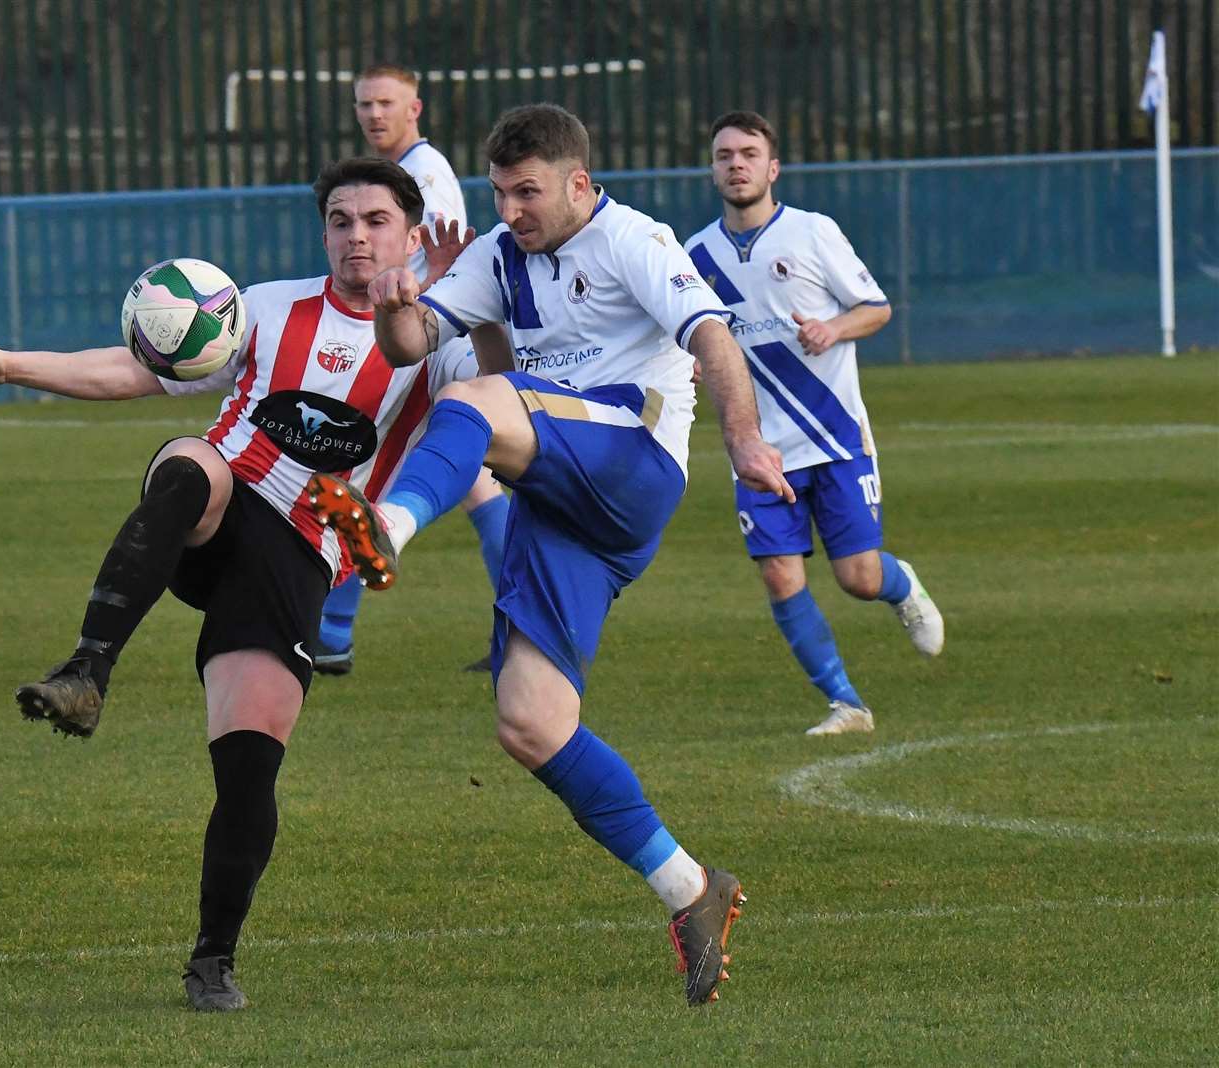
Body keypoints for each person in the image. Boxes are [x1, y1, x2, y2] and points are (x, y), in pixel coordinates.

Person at [0, 157, 484, 1012]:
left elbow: (496, 401)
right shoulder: (265, 307)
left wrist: (467, 303)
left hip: (300, 559)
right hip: (225, 502)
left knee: (248, 776)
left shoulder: (438, 344)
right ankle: (86, 672)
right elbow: (138, 370)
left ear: (411, 232)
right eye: (339, 219)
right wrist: (0, 364)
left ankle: (213, 960)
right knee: (189, 463)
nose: (355, 235)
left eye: (374, 220)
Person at [306, 104, 788, 1006]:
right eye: (500, 191)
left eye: (528, 192)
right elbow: (413, 345)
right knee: (530, 722)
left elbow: (713, 336)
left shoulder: (633, 240)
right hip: (562, 501)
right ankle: (690, 890)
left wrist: (748, 443)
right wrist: (395, 303)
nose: (512, 208)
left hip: (630, 461)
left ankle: (386, 527)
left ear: (577, 182)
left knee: (480, 400)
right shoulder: (494, 252)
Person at [683, 110, 944, 737]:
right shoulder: (693, 256)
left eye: (749, 153)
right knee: (779, 573)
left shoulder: (812, 233)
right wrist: (687, 364)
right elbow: (687, 336)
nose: (736, 164)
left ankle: (900, 584)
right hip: (759, 448)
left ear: (773, 168)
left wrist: (833, 328)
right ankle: (846, 705)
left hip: (834, 435)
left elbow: (875, 308)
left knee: (857, 577)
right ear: (712, 168)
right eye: (725, 155)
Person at [311, 62, 509, 676]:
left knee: (380, 469)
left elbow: (445, 265)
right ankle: (333, 633)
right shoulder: (400, 172)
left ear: (415, 108)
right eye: (364, 104)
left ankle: (332, 631)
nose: (374, 115)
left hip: (422, 340)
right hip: (410, 335)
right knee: (458, 481)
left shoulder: (421, 176)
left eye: (385, 103)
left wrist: (406, 318)